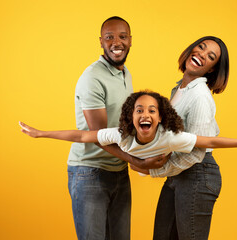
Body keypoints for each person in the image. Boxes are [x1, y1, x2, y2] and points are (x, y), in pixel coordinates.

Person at [65, 17, 167, 240]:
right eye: (109, 37)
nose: (116, 42)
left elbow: (124, 127)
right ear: (101, 41)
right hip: (90, 172)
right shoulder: (92, 77)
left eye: (122, 37)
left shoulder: (125, 73)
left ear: (130, 41)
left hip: (118, 171)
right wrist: (137, 161)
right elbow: (100, 135)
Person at [19, 91, 237, 163]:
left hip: (163, 166)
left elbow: (211, 142)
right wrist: (41, 133)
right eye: (139, 110)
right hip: (139, 166)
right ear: (131, 118)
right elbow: (82, 134)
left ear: (160, 118)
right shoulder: (121, 134)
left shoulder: (171, 137)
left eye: (152, 111)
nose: (146, 114)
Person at [149, 36, 237, 240]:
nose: (201, 54)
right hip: (179, 172)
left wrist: (157, 170)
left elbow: (196, 152)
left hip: (197, 173)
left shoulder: (199, 95)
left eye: (210, 56)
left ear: (212, 69)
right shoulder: (179, 89)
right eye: (201, 47)